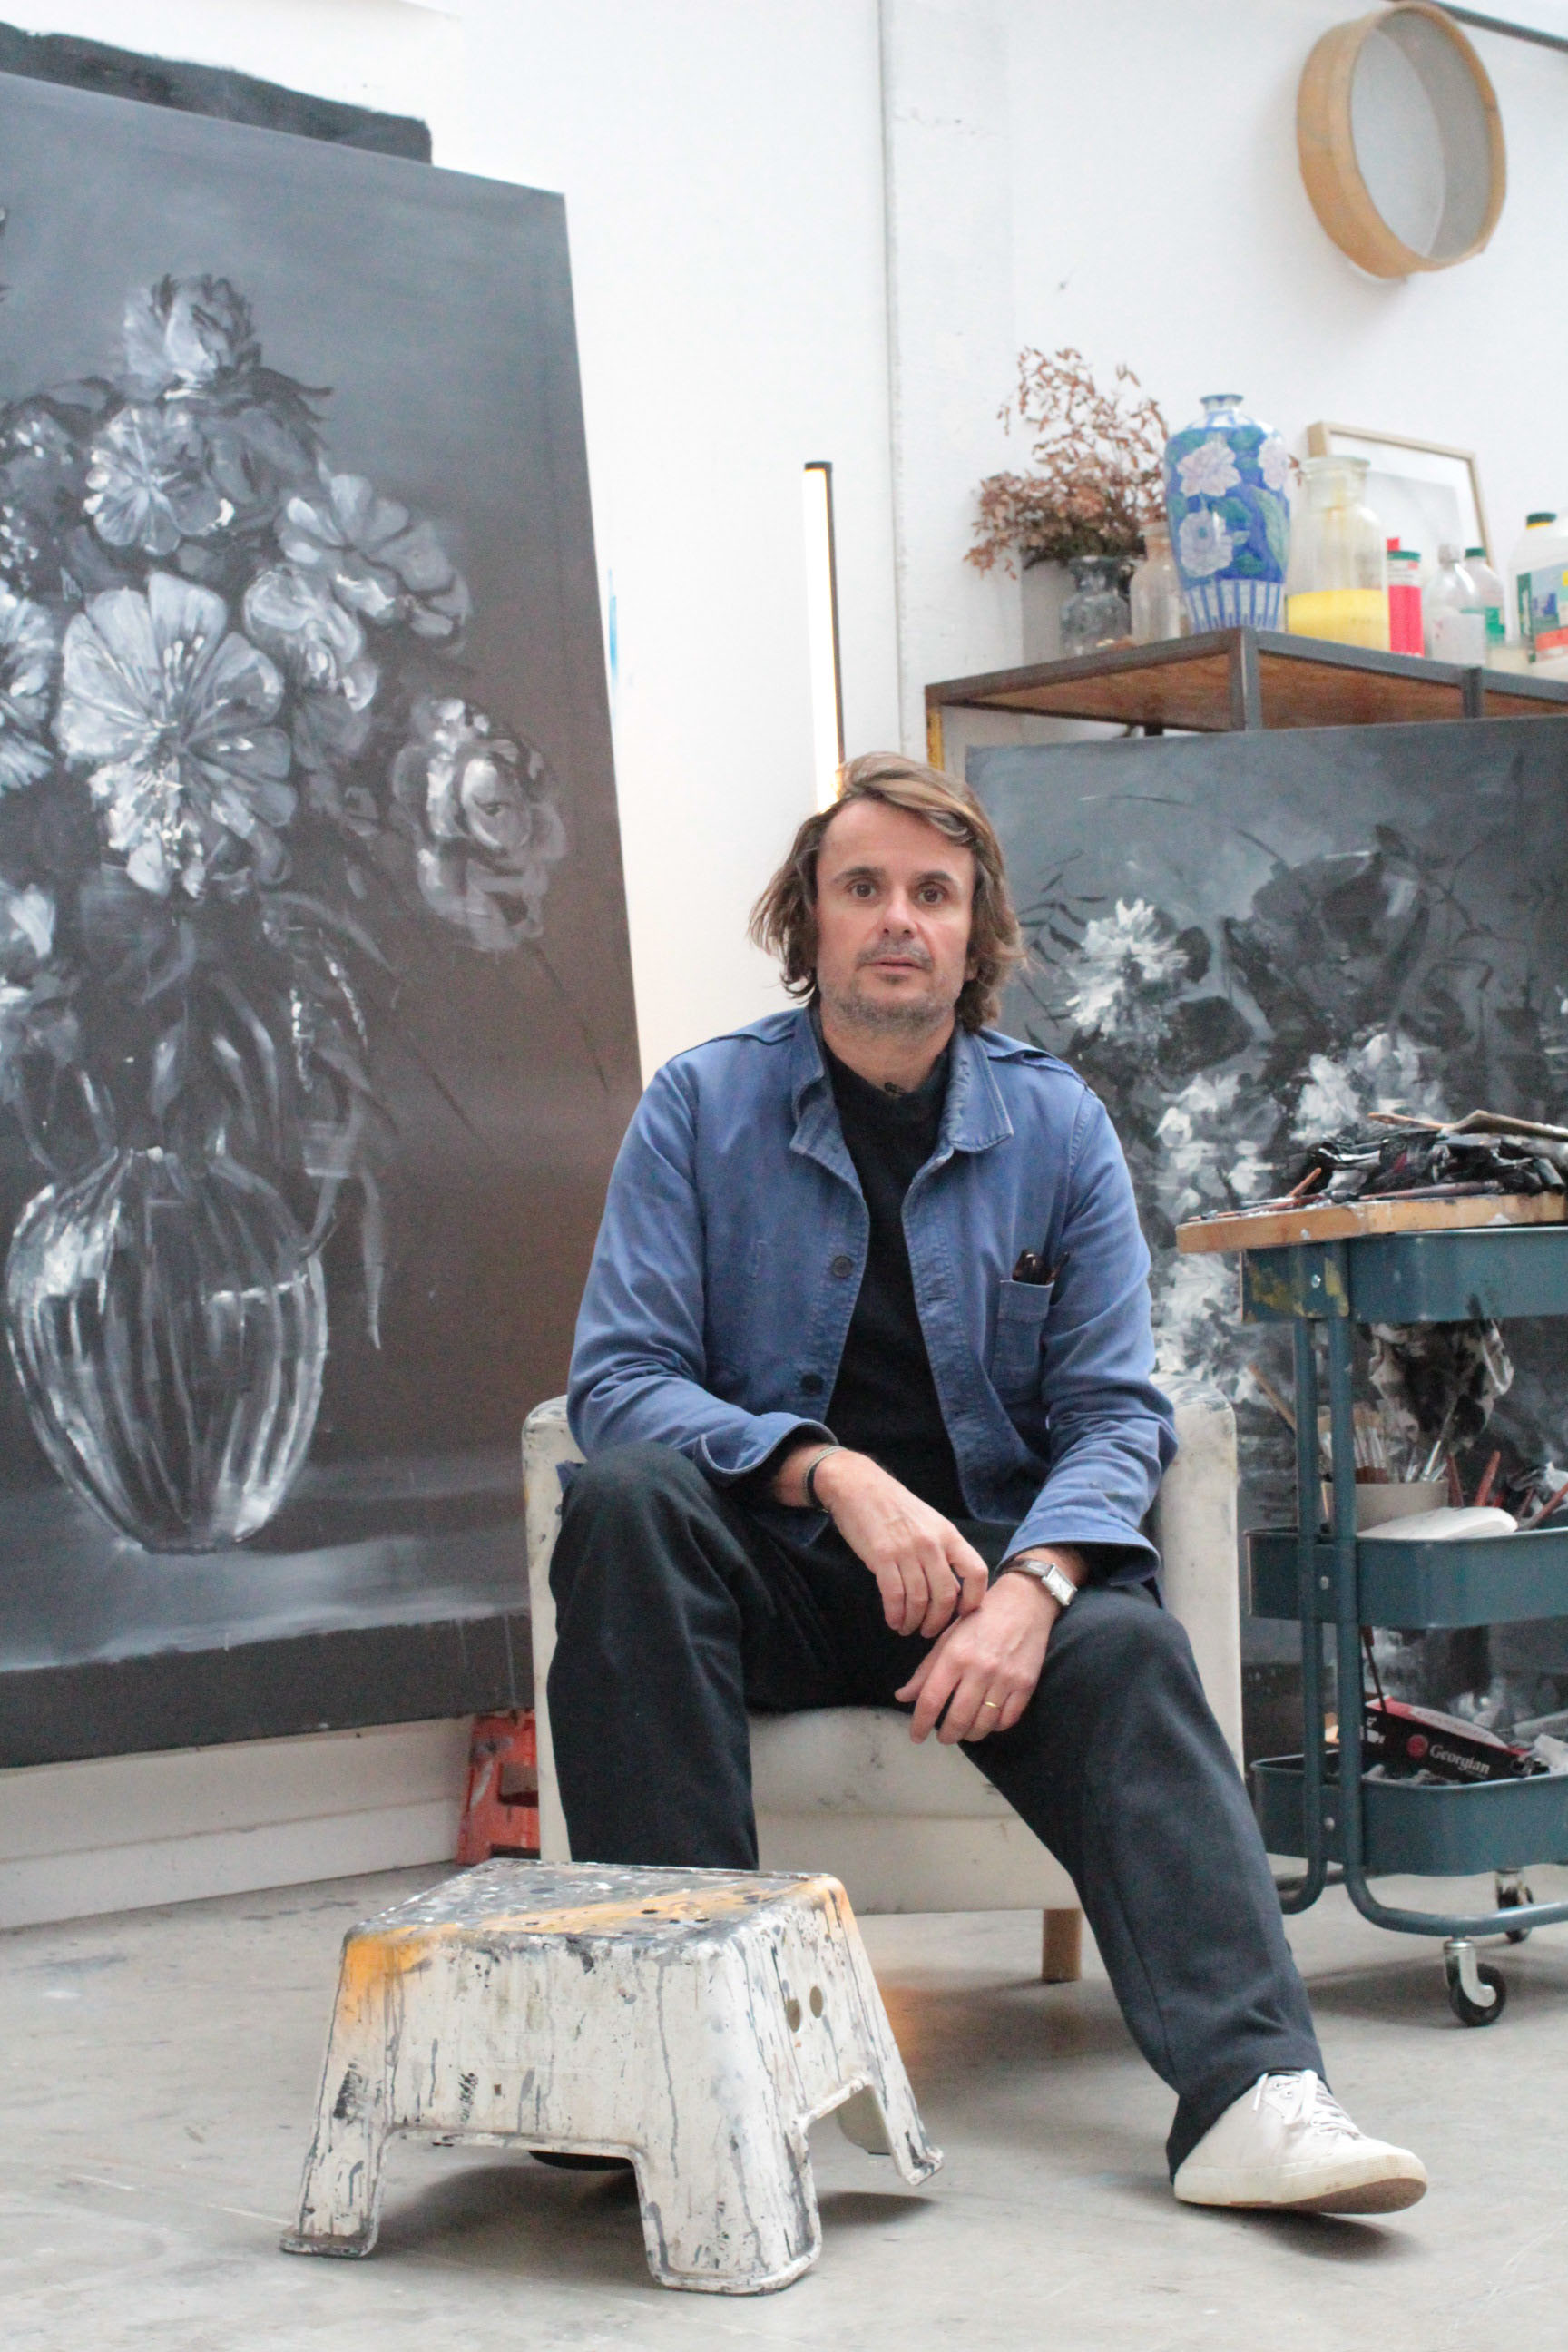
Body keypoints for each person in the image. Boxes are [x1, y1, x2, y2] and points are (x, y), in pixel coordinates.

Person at [550, 750, 1427, 2215]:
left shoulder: (1057, 1125)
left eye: (933, 893)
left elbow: (1114, 1412)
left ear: (975, 933)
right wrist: (826, 1471)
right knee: (626, 1501)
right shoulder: (700, 1107)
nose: (899, 918)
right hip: (764, 1572)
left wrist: (1038, 1586)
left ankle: (1256, 2096)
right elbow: (620, 1378)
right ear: (811, 923)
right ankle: (683, 2069)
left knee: (1129, 1648)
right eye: (863, 888)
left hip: (981, 1585)